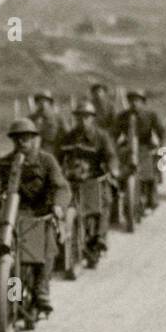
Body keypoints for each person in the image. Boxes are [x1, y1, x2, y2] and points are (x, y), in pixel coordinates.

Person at [0, 118, 69, 327]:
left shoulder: (47, 161)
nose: (22, 142)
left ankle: (41, 289)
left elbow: (61, 187)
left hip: (40, 213)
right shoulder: (5, 163)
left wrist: (58, 206)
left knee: (47, 246)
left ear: (34, 139)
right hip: (13, 213)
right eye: (18, 139)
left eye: (27, 138)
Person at [57, 100, 120, 255]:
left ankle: (100, 237)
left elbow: (111, 155)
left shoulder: (101, 136)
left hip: (95, 178)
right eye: (79, 117)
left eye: (86, 117)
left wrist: (112, 169)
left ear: (92, 118)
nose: (82, 120)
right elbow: (57, 157)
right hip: (72, 179)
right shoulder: (69, 137)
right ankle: (59, 243)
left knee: (105, 202)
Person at [115, 88, 166, 209]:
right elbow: (113, 134)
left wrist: (163, 146)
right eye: (131, 100)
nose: (134, 103)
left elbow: (162, 132)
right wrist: (111, 148)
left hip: (145, 146)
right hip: (128, 148)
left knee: (151, 169)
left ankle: (152, 195)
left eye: (137, 100)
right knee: (116, 173)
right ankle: (115, 206)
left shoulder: (151, 115)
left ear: (143, 102)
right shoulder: (122, 117)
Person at [29, 91, 65, 156]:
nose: (43, 104)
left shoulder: (58, 118)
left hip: (54, 150)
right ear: (36, 103)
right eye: (40, 101)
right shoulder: (31, 119)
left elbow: (66, 135)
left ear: (50, 103)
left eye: (45, 101)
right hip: (34, 151)